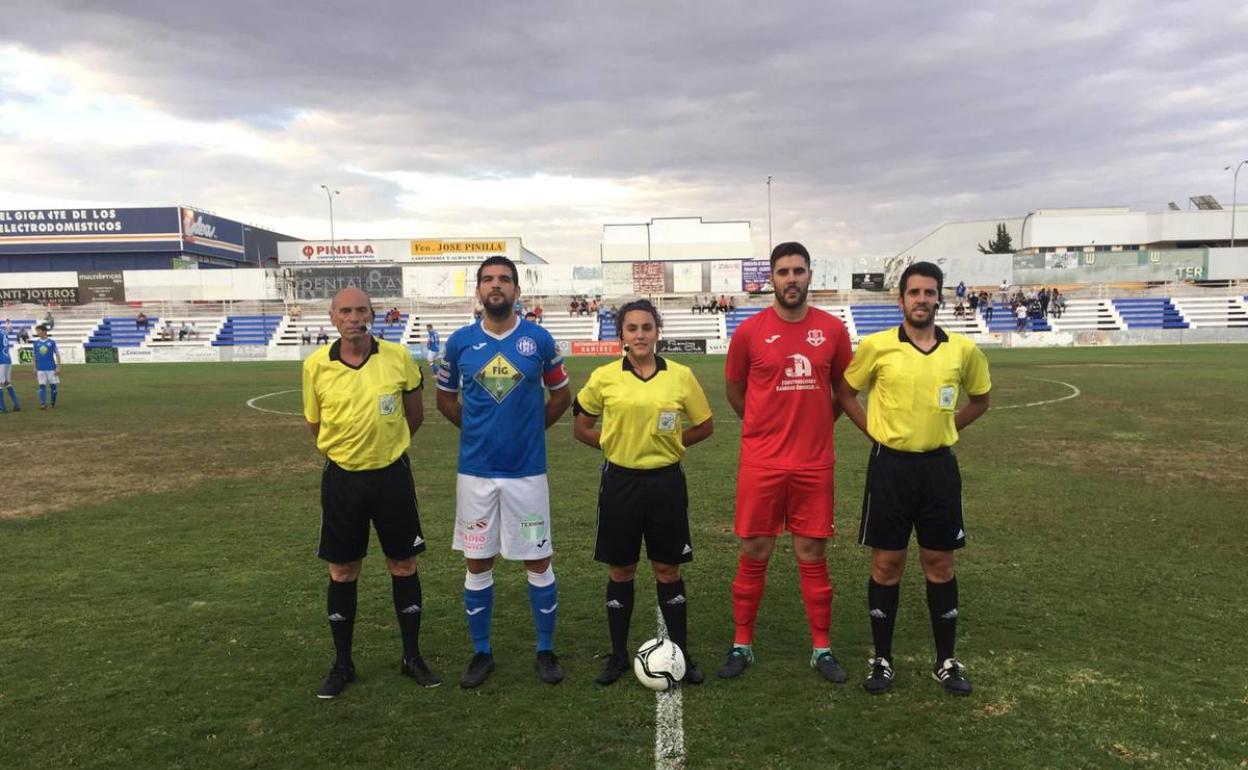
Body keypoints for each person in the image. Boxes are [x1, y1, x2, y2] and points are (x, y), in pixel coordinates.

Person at [835, 261, 991, 697]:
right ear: (900, 298)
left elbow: (981, 398)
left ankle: (946, 660)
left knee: (939, 564)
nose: (921, 299)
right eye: (914, 292)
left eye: (929, 292)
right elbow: (846, 392)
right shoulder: (877, 347)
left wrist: (949, 428)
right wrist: (873, 430)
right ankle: (882, 659)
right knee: (887, 565)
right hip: (890, 469)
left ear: (939, 297)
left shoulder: (962, 351)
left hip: (939, 469)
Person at [718, 241, 854, 684]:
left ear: (810, 275)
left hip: (815, 463)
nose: (791, 278)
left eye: (798, 270)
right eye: (783, 272)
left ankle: (822, 648)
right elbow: (736, 391)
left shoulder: (832, 331)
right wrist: (763, 426)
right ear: (771, 279)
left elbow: (844, 392)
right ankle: (742, 644)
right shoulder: (749, 332)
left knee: (812, 552)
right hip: (762, 462)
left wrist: (816, 424)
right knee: (754, 549)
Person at [436, 256, 572, 688]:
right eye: (489, 280)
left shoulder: (539, 340)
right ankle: (481, 653)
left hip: (527, 473)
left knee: (538, 558)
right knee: (478, 562)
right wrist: (479, 432)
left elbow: (561, 396)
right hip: (475, 474)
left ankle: (545, 649)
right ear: (478, 290)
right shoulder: (459, 343)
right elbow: (445, 400)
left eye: (505, 280)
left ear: (517, 289)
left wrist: (528, 430)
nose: (497, 286)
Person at [301, 287, 439, 699]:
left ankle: (411, 656)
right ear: (332, 317)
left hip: (391, 476)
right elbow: (316, 424)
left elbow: (414, 416)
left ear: (373, 315)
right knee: (343, 570)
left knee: (403, 563)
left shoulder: (399, 358)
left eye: (361, 310)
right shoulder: (315, 366)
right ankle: (342, 663)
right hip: (342, 479)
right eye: (345, 310)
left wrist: (386, 447)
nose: (354, 317)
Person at [572, 299, 714, 686]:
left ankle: (681, 654)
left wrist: (672, 443)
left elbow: (705, 424)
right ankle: (618, 655)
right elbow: (581, 427)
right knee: (622, 568)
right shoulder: (604, 377)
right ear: (621, 334)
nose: (640, 335)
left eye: (647, 327)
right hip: (620, 483)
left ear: (657, 332)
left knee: (668, 568)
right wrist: (614, 445)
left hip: (666, 483)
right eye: (632, 328)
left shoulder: (680, 376)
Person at [32, 324, 61, 410]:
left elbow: (57, 354)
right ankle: (43, 404)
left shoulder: (52, 342)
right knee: (42, 386)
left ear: (44, 331)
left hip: (51, 368)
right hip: (40, 368)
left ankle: (52, 403)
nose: (37, 332)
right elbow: (34, 356)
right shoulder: (36, 343)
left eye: (38, 330)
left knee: (54, 388)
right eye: (37, 331)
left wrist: (58, 367)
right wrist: (34, 366)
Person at [0, 320, 19, 413]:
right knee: (7, 383)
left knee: (0, 384)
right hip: (8, 359)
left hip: (1, 361)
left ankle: (2, 408)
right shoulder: (4, 332)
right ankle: (17, 405)